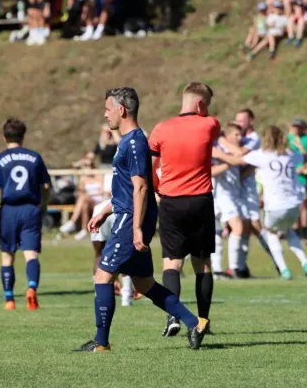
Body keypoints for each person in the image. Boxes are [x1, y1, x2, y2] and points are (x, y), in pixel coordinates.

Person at [74, 87, 205, 352]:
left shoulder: (134, 142)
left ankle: (101, 343)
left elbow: (142, 188)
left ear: (121, 110)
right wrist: (104, 211)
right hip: (127, 216)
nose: (105, 114)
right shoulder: (128, 141)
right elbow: (126, 189)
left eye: (108, 108)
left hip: (131, 220)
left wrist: (135, 229)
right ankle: (195, 322)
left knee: (102, 276)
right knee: (144, 284)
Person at [148, 82, 219, 340]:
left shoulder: (160, 129)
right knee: (202, 265)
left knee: (172, 263)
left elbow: (150, 164)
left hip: (170, 201)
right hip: (200, 200)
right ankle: (202, 321)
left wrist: (157, 189)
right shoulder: (210, 124)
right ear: (201, 104)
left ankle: (173, 316)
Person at [213, 125, 307, 280]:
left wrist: (219, 153)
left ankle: (284, 269)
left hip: (275, 205)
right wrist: (300, 147)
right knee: (288, 231)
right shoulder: (290, 154)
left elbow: (236, 159)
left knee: (271, 234)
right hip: (294, 204)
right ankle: (305, 262)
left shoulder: (262, 155)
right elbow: (304, 159)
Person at [0, 118, 50, 311]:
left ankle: (9, 300)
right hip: (30, 209)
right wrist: (43, 206)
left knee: (7, 256)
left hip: (8, 210)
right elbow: (46, 185)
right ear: (23, 136)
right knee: (31, 255)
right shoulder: (35, 157)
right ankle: (32, 288)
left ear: (4, 136)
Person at [216, 109, 277, 276]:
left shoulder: (253, 139)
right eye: (237, 120)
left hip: (246, 191)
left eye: (243, 120)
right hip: (229, 192)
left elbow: (239, 154)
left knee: (251, 228)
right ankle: (234, 268)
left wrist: (223, 142)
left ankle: (241, 267)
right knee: (237, 228)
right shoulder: (228, 142)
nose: (240, 124)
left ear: (252, 121)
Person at [213, 123, 247, 277]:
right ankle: (233, 268)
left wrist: (229, 158)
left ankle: (219, 269)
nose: (240, 138)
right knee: (236, 226)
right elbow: (210, 171)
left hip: (234, 194)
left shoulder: (235, 150)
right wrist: (230, 161)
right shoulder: (216, 149)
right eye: (236, 135)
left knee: (218, 233)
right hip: (221, 195)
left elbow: (242, 157)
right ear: (226, 136)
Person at [59, 156, 108, 240]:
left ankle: (72, 222)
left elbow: (103, 191)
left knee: (83, 198)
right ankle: (84, 230)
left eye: (89, 166)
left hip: (99, 200)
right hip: (87, 201)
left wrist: (91, 195)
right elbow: (80, 192)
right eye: (85, 166)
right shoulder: (83, 178)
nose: (88, 168)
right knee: (83, 201)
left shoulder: (99, 175)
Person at [288, 118, 307, 238]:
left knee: (302, 203)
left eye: (298, 127)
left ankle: (304, 228)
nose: (296, 129)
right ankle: (294, 227)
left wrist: (299, 145)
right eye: (294, 126)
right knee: (292, 203)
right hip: (289, 175)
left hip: (301, 177)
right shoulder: (288, 139)